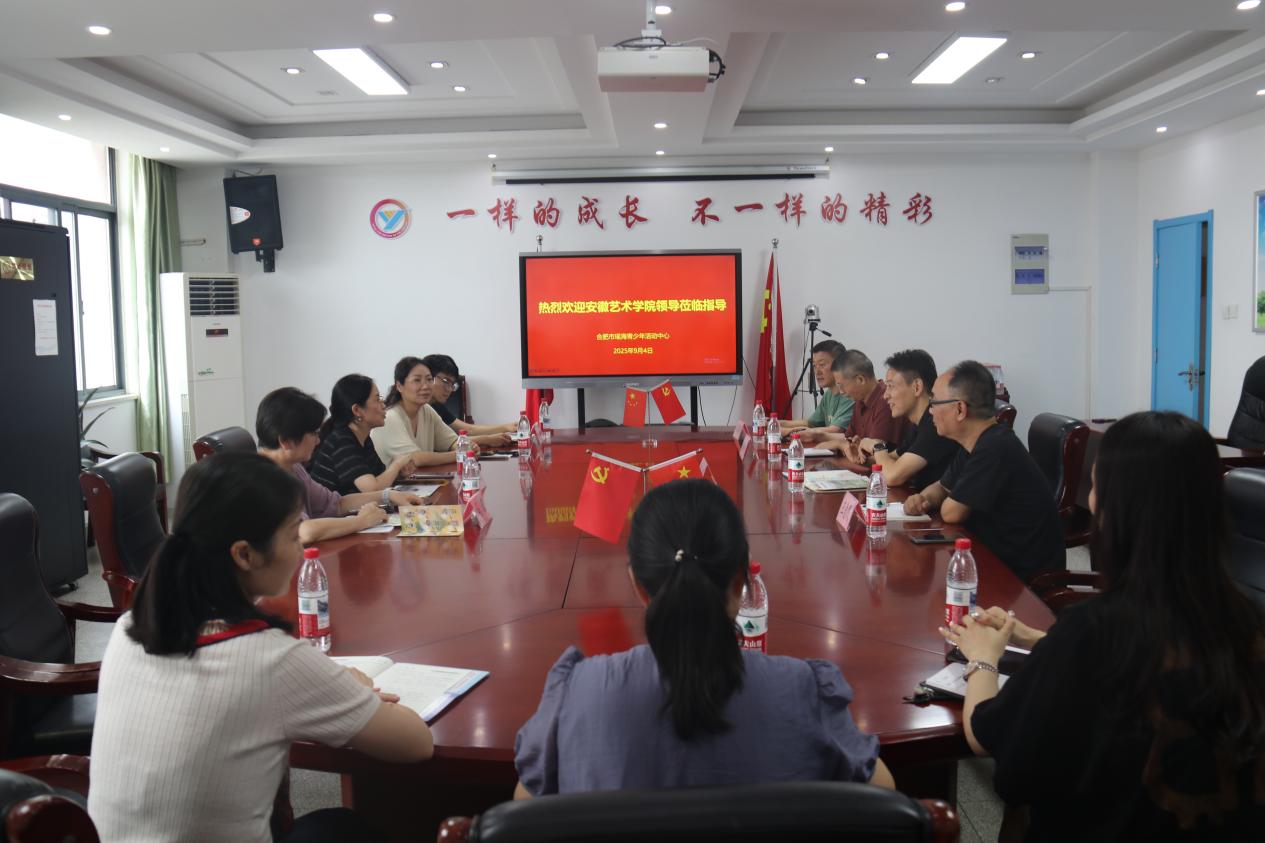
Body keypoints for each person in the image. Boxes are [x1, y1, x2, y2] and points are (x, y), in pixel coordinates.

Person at [939, 411, 1265, 840]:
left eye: (1095, 487)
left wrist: (982, 658)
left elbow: (991, 742)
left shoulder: (1095, 631)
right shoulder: (1248, 620)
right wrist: (1039, 639)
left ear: (1115, 509)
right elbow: (1155, 659)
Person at [88, 451, 434, 843]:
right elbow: (415, 744)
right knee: (351, 828)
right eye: (292, 536)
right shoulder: (271, 659)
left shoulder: (129, 628)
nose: (300, 548)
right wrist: (354, 687)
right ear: (244, 554)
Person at [514, 479, 892, 796]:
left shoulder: (579, 693)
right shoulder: (802, 690)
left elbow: (524, 807)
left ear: (637, 585)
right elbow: (884, 800)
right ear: (741, 582)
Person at [904, 361, 1063, 581]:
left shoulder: (995, 446)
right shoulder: (974, 442)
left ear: (960, 409)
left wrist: (939, 499)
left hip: (1022, 579)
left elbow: (951, 513)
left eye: (935, 403)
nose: (930, 411)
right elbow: (941, 487)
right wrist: (923, 499)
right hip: (991, 557)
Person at [256, 386, 426, 544]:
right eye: (314, 433)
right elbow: (303, 531)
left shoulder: (293, 467)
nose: (318, 440)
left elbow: (337, 504)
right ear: (286, 441)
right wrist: (361, 521)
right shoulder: (264, 478)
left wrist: (388, 496)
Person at [864, 349, 961, 488]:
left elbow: (892, 476)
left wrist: (876, 446)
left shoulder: (936, 424)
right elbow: (892, 459)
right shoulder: (918, 423)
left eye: (891, 386)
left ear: (917, 387)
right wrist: (861, 455)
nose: (885, 395)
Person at [309, 374, 415, 495]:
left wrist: (398, 473)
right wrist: (397, 465)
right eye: (377, 399)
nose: (383, 405)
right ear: (357, 410)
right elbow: (372, 488)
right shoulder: (341, 441)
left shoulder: (363, 438)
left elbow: (379, 478)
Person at [371, 357, 464, 468]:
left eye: (429, 380)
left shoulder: (426, 410)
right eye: (417, 380)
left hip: (421, 477)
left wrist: (465, 446)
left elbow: (452, 442)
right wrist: (460, 454)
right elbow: (414, 459)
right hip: (390, 480)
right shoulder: (389, 417)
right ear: (399, 386)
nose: (426, 386)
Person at [818, 350, 909, 463]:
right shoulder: (859, 400)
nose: (841, 392)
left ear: (860, 380)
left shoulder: (885, 401)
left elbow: (873, 454)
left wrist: (843, 444)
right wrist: (819, 436)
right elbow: (849, 440)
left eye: (842, 386)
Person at [421, 354, 515, 448]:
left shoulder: (435, 406)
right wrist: (487, 439)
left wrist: (506, 427)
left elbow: (467, 430)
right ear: (429, 378)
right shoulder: (417, 408)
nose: (449, 389)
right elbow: (449, 443)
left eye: (452, 384)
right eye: (446, 382)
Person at [782, 340, 853, 443]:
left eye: (822, 365)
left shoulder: (849, 394)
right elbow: (811, 423)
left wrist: (790, 432)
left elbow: (836, 430)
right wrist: (776, 423)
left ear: (839, 365)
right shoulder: (829, 394)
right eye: (814, 366)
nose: (817, 372)